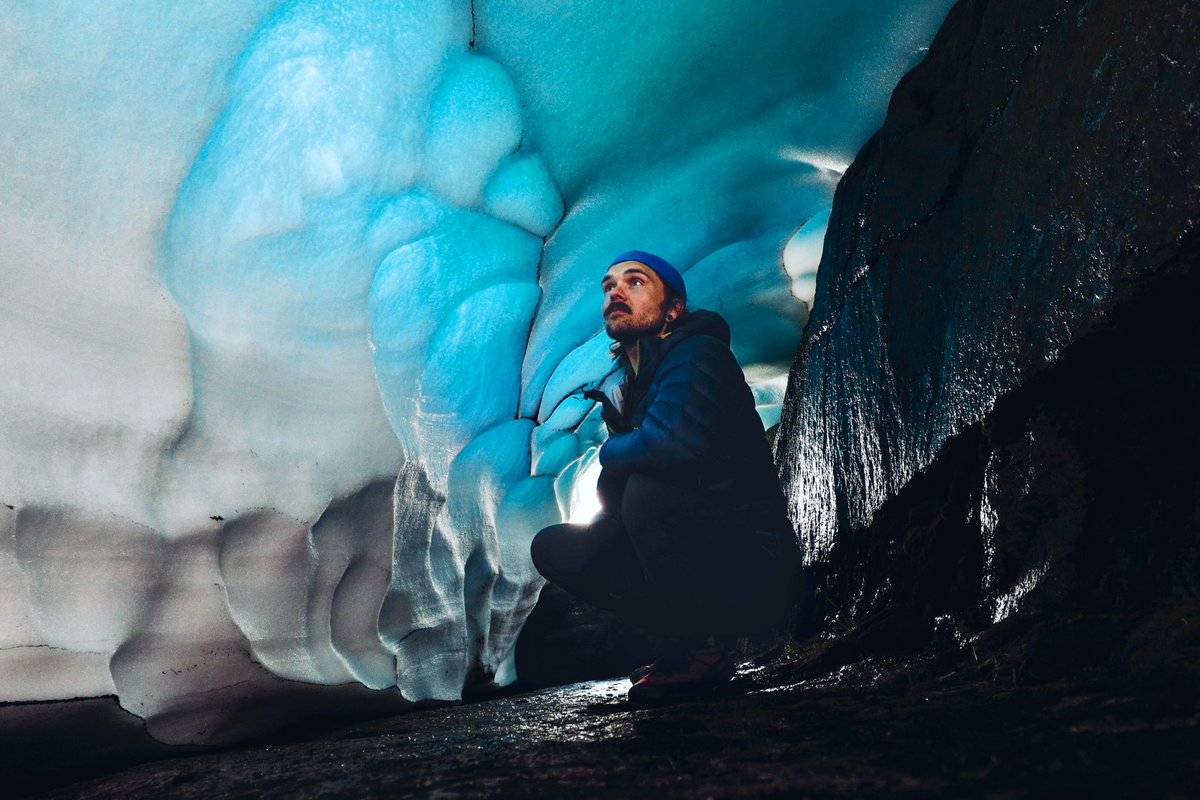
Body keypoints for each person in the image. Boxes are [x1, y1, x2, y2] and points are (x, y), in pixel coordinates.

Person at [530, 250, 800, 702]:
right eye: (609, 286)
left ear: (673, 308)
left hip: (756, 564)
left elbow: (672, 445)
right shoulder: (631, 382)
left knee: (648, 494)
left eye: (635, 282)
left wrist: (612, 451)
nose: (616, 291)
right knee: (561, 548)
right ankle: (688, 643)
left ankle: (700, 653)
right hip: (703, 550)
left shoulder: (696, 354)